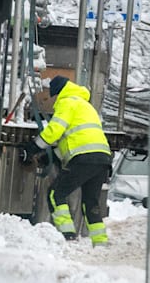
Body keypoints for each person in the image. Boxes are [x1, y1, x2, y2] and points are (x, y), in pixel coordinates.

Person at [22, 75, 112, 246]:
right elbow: (75, 139)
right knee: (90, 202)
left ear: (58, 92)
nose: (54, 101)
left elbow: (55, 130)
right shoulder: (86, 106)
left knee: (56, 194)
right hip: (103, 159)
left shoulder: (67, 102)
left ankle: (67, 237)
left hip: (84, 159)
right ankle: (100, 242)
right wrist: (51, 157)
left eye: (54, 96)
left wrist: (33, 147)